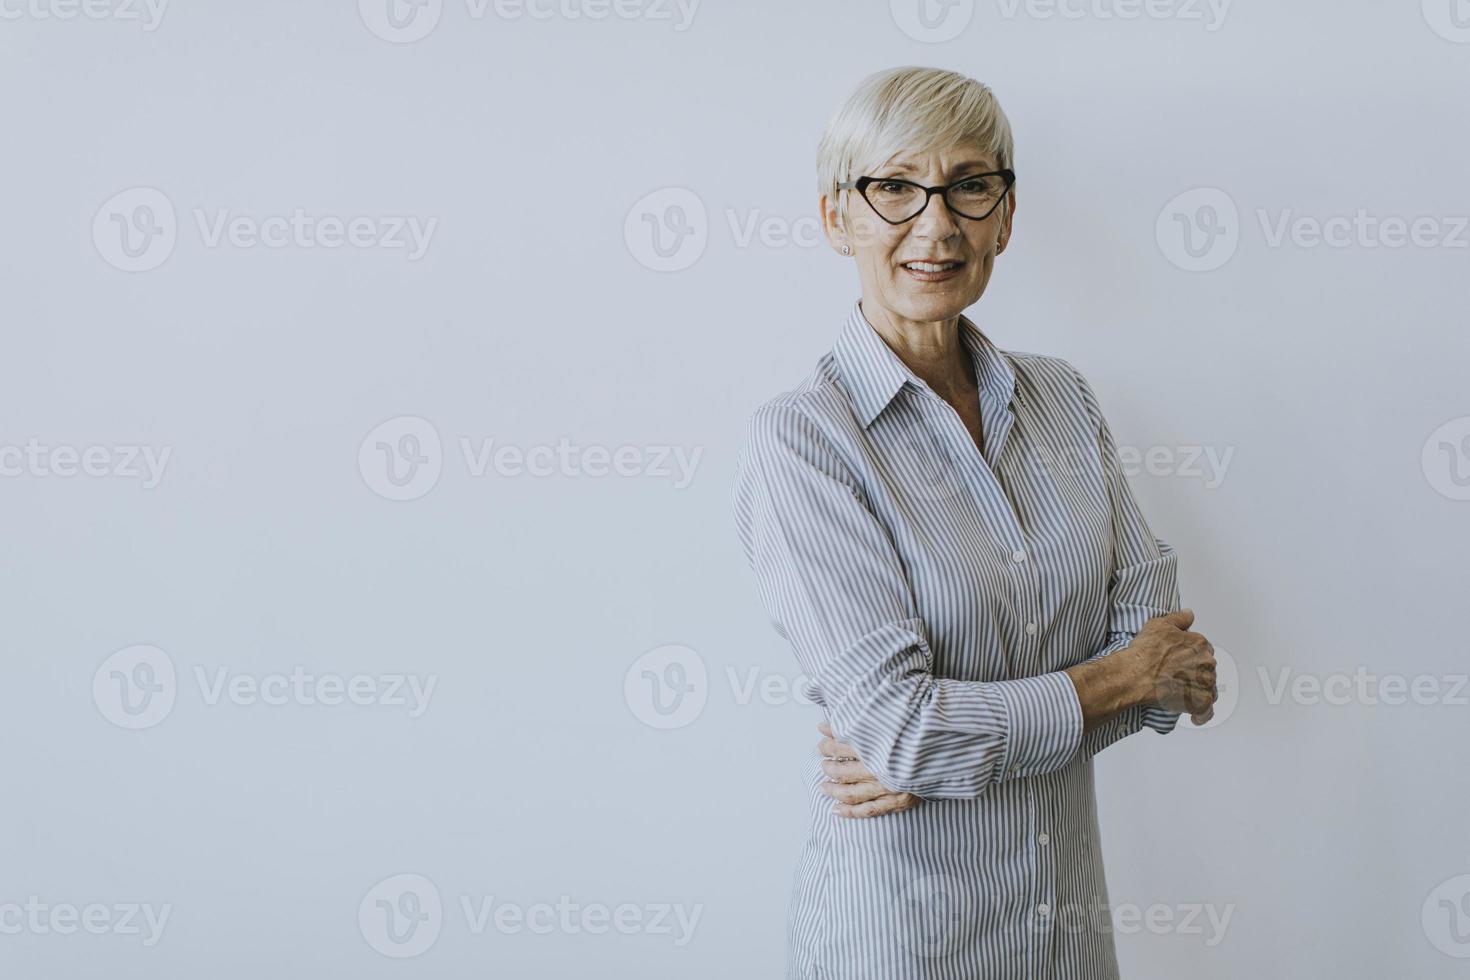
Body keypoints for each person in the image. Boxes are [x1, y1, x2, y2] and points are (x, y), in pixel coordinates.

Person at [731, 65, 1219, 979]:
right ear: (838, 218)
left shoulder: (1064, 400)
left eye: (969, 184)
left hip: (1066, 943)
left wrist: (939, 748)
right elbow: (907, 731)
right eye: (894, 187)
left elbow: (1170, 676)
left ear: (1005, 214)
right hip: (906, 944)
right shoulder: (804, 442)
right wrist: (1112, 682)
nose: (937, 221)